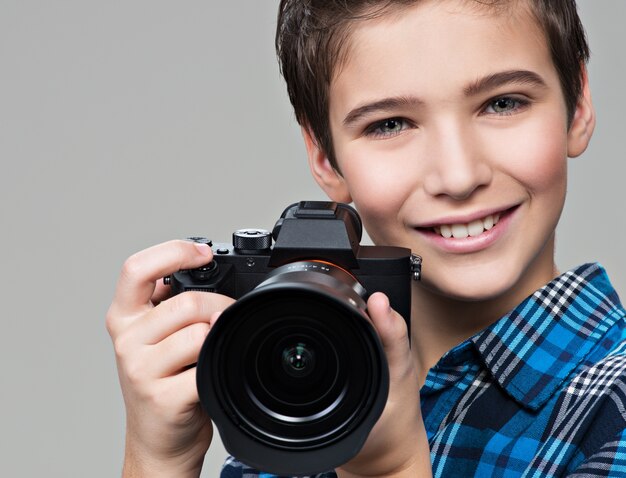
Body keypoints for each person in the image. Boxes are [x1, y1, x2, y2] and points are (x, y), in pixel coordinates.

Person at [106, 0, 626, 476]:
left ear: (577, 104)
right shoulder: (285, 409)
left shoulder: (611, 415)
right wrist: (158, 459)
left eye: (504, 103)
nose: (458, 175)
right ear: (326, 157)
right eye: (391, 123)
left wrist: (386, 469)